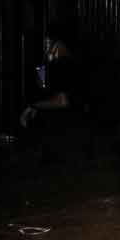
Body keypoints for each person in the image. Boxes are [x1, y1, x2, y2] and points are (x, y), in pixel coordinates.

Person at [20, 26, 85, 160]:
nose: (46, 49)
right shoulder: (59, 64)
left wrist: (33, 106)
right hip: (65, 137)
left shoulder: (65, 65)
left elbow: (62, 102)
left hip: (66, 136)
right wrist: (43, 66)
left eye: (48, 44)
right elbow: (43, 87)